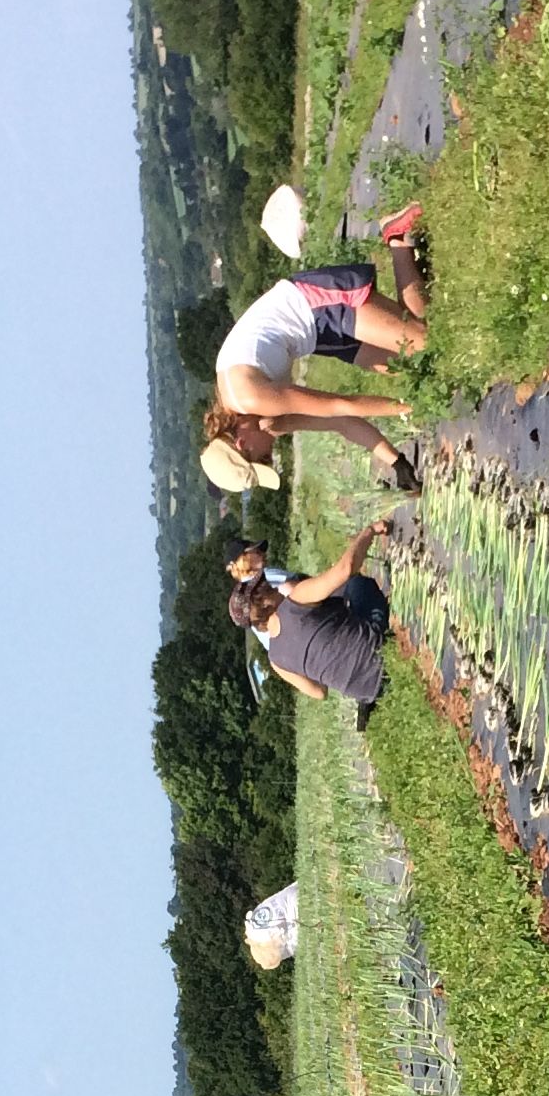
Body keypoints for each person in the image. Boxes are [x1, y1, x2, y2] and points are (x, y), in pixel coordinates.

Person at [200, 207, 430, 497]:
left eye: (263, 459)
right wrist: (396, 462)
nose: (271, 455)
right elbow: (339, 423)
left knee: (423, 344)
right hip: (316, 336)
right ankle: (402, 246)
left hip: (311, 304)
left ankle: (396, 237)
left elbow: (341, 405)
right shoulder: (263, 420)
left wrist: (412, 408)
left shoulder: (249, 397)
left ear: (241, 444)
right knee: (412, 367)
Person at [231, 518, 393, 724]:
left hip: (367, 691)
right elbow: (346, 569)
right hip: (380, 657)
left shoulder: (276, 660)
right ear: (264, 602)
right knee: (357, 584)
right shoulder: (294, 600)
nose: (270, 586)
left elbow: (319, 692)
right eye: (265, 588)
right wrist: (370, 531)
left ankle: (366, 692)